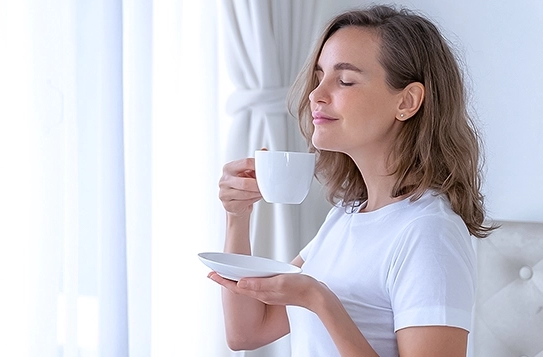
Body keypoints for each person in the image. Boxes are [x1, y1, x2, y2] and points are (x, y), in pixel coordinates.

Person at [210, 4, 496, 357]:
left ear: (406, 101)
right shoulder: (348, 216)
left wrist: (319, 300)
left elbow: (306, 303)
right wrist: (238, 216)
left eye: (344, 80)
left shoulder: (428, 233)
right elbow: (246, 333)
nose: (316, 94)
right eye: (319, 77)